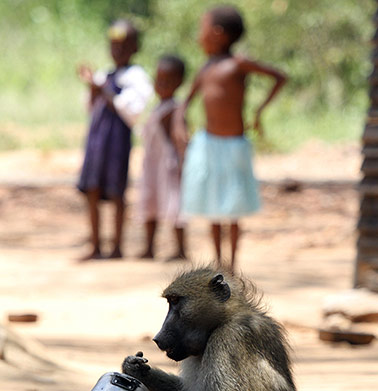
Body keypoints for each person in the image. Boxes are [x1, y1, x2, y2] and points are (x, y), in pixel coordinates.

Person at [173, 5, 287, 271]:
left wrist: (259, 111)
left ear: (217, 33)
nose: (199, 36)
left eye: (202, 29)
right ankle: (219, 263)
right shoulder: (205, 69)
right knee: (214, 206)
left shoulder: (238, 64)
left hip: (235, 145)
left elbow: (279, 77)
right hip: (208, 144)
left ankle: (232, 266)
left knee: (233, 207)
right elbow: (184, 103)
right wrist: (180, 125)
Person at [77, 19, 153, 260]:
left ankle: (117, 246)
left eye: (123, 46)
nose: (117, 51)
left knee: (117, 191)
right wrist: (92, 87)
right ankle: (95, 244)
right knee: (92, 188)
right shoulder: (105, 74)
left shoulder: (137, 76)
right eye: (114, 46)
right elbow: (90, 107)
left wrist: (102, 89)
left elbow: (131, 110)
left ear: (135, 47)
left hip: (117, 141)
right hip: (96, 141)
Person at [138, 55, 187, 261]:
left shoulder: (174, 109)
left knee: (174, 206)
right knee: (150, 203)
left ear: (179, 83)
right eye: (159, 79)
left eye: (168, 80)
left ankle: (181, 250)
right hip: (152, 165)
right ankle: (149, 248)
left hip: (168, 166)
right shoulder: (157, 108)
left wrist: (184, 163)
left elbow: (182, 139)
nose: (162, 85)